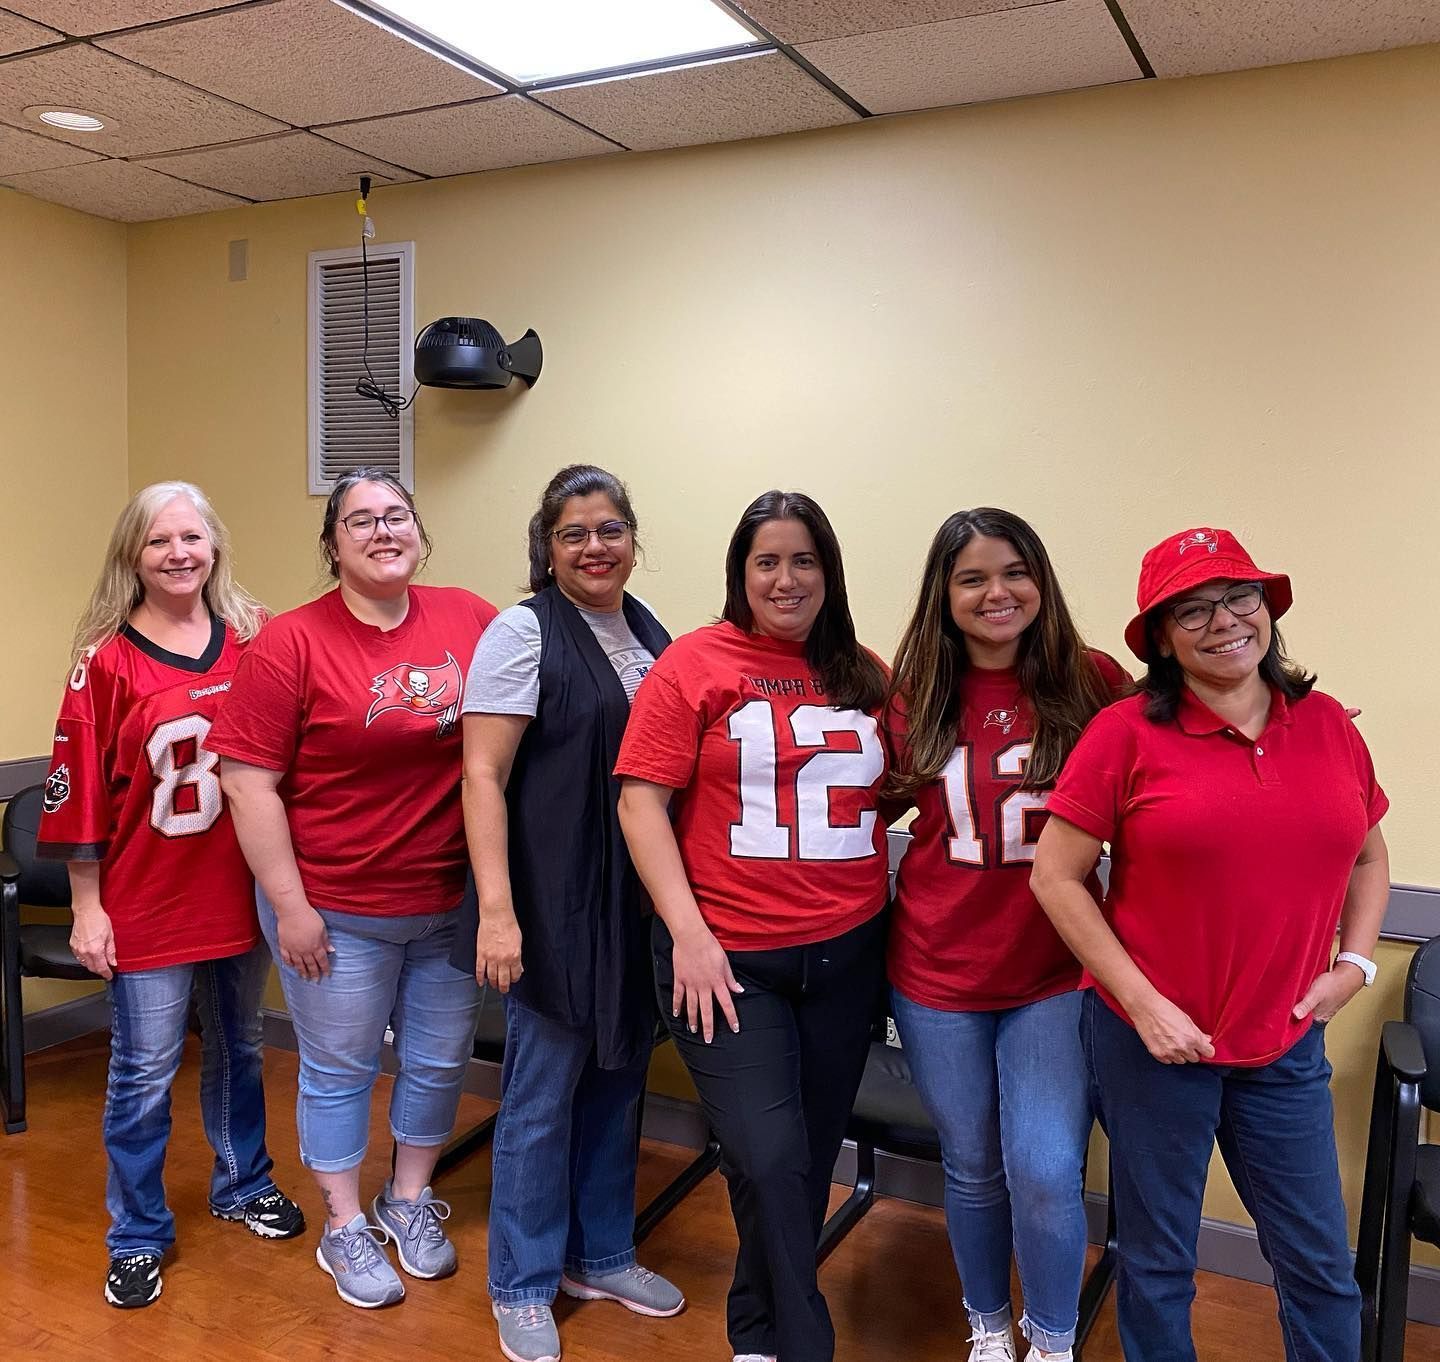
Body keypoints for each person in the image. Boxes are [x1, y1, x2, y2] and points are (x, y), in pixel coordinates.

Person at [1031, 526, 1389, 1362]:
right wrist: (1145, 1006)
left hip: (1285, 1044)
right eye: (1190, 610)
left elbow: (1369, 852)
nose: (1223, 620)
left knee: (1317, 1266)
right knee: (1158, 1263)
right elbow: (1056, 877)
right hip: (1155, 1047)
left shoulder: (1330, 724)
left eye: (1239, 597)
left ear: (1267, 610)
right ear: (1160, 638)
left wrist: (1356, 964)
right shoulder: (1124, 734)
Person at [207, 467, 497, 1310]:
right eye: (360, 520)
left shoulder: (469, 618)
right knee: (340, 1070)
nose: (382, 530)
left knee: (441, 1060)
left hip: (448, 901)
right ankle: (343, 1224)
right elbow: (247, 784)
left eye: (397, 515)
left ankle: (406, 1200)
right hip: (332, 907)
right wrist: (290, 907)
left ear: (418, 530)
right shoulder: (290, 643)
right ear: (333, 544)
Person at [616, 490, 890, 1362]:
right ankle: (806, 1339)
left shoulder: (867, 674)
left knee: (802, 1157)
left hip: (847, 955)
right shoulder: (696, 663)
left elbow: (911, 790)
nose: (785, 578)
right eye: (766, 561)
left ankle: (756, 1336)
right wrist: (690, 934)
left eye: (803, 560)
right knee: (768, 1155)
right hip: (727, 957)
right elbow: (640, 803)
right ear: (740, 572)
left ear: (829, 571)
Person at [36, 481, 303, 1310]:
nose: (179, 554)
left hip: (238, 894)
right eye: (159, 541)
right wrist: (88, 906)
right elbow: (76, 788)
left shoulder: (253, 644)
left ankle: (241, 1181)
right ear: (133, 557)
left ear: (215, 547)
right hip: (150, 902)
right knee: (144, 1071)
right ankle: (138, 1232)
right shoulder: (106, 662)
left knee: (241, 1048)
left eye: (192, 537)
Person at [884, 508, 1129, 1362]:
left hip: (1054, 973)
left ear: (1041, 581)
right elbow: (856, 801)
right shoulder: (910, 689)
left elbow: (1186, 734)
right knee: (973, 1165)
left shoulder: (1095, 681)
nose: (998, 592)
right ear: (944, 595)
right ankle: (988, 1324)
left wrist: (1283, 714)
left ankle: (1052, 1339)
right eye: (973, 577)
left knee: (1047, 1169)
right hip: (934, 972)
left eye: (1015, 571)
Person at [457, 465, 684, 1362]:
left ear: (633, 537)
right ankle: (520, 1282)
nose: (596, 548)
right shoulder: (522, 633)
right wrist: (498, 914)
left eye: (611, 529)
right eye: (574, 534)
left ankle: (601, 1254)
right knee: (542, 1098)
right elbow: (482, 776)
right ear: (545, 550)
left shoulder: (648, 630)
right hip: (551, 903)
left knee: (619, 1075)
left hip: (631, 902)